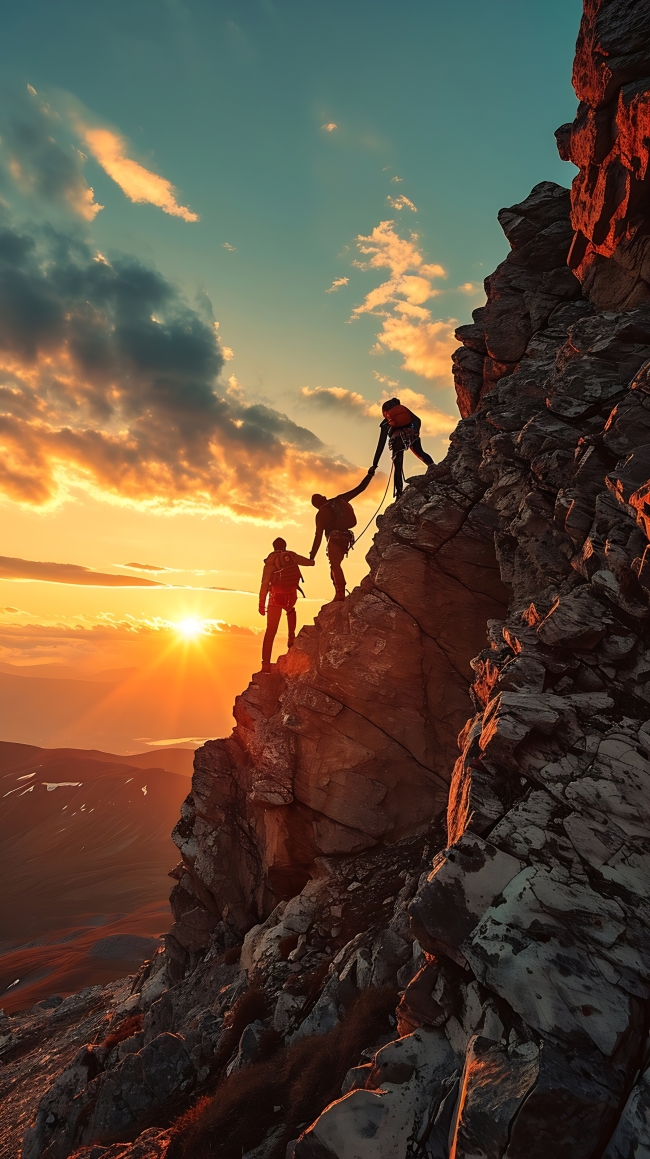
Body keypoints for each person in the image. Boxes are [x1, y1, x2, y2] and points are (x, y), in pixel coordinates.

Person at [310, 470, 375, 602]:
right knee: (334, 566)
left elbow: (318, 536)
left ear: (316, 506)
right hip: (346, 539)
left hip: (334, 540)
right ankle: (338, 591)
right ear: (324, 497)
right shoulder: (339, 500)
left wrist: (312, 556)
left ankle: (340, 594)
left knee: (334, 565)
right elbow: (360, 489)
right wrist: (370, 474)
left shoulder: (321, 513)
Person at [259, 537, 314, 672]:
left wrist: (261, 604)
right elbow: (310, 563)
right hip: (290, 595)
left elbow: (265, 583)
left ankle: (266, 664)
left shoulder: (271, 561)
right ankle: (291, 642)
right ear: (285, 545)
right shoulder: (292, 556)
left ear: (273, 547)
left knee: (271, 631)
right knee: (290, 613)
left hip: (275, 598)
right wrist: (312, 556)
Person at [372, 397, 434, 498]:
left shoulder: (385, 423)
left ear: (384, 412)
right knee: (419, 452)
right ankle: (433, 467)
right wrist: (415, 431)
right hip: (411, 433)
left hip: (397, 440)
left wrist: (374, 464)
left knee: (398, 467)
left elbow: (381, 444)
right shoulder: (405, 412)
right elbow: (418, 420)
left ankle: (399, 493)